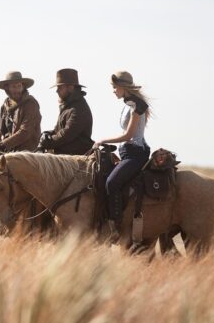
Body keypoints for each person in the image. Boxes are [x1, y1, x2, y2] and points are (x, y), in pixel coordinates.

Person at [93, 71, 152, 238]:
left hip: (135, 154)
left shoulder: (136, 106)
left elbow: (128, 136)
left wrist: (102, 141)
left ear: (122, 87)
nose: (113, 91)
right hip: (127, 152)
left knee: (111, 183)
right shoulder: (129, 104)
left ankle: (115, 226)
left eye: (114, 87)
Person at [39, 68, 93, 155]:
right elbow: (58, 130)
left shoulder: (78, 109)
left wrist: (47, 142)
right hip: (65, 156)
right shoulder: (68, 107)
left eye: (60, 87)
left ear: (70, 87)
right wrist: (46, 134)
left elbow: (65, 135)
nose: (57, 91)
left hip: (75, 159)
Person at [0, 71, 42, 152]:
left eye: (19, 86)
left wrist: (1, 145)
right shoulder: (5, 106)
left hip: (28, 152)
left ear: (23, 87)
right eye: (13, 86)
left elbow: (25, 132)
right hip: (9, 150)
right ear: (7, 88)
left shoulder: (31, 104)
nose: (17, 90)